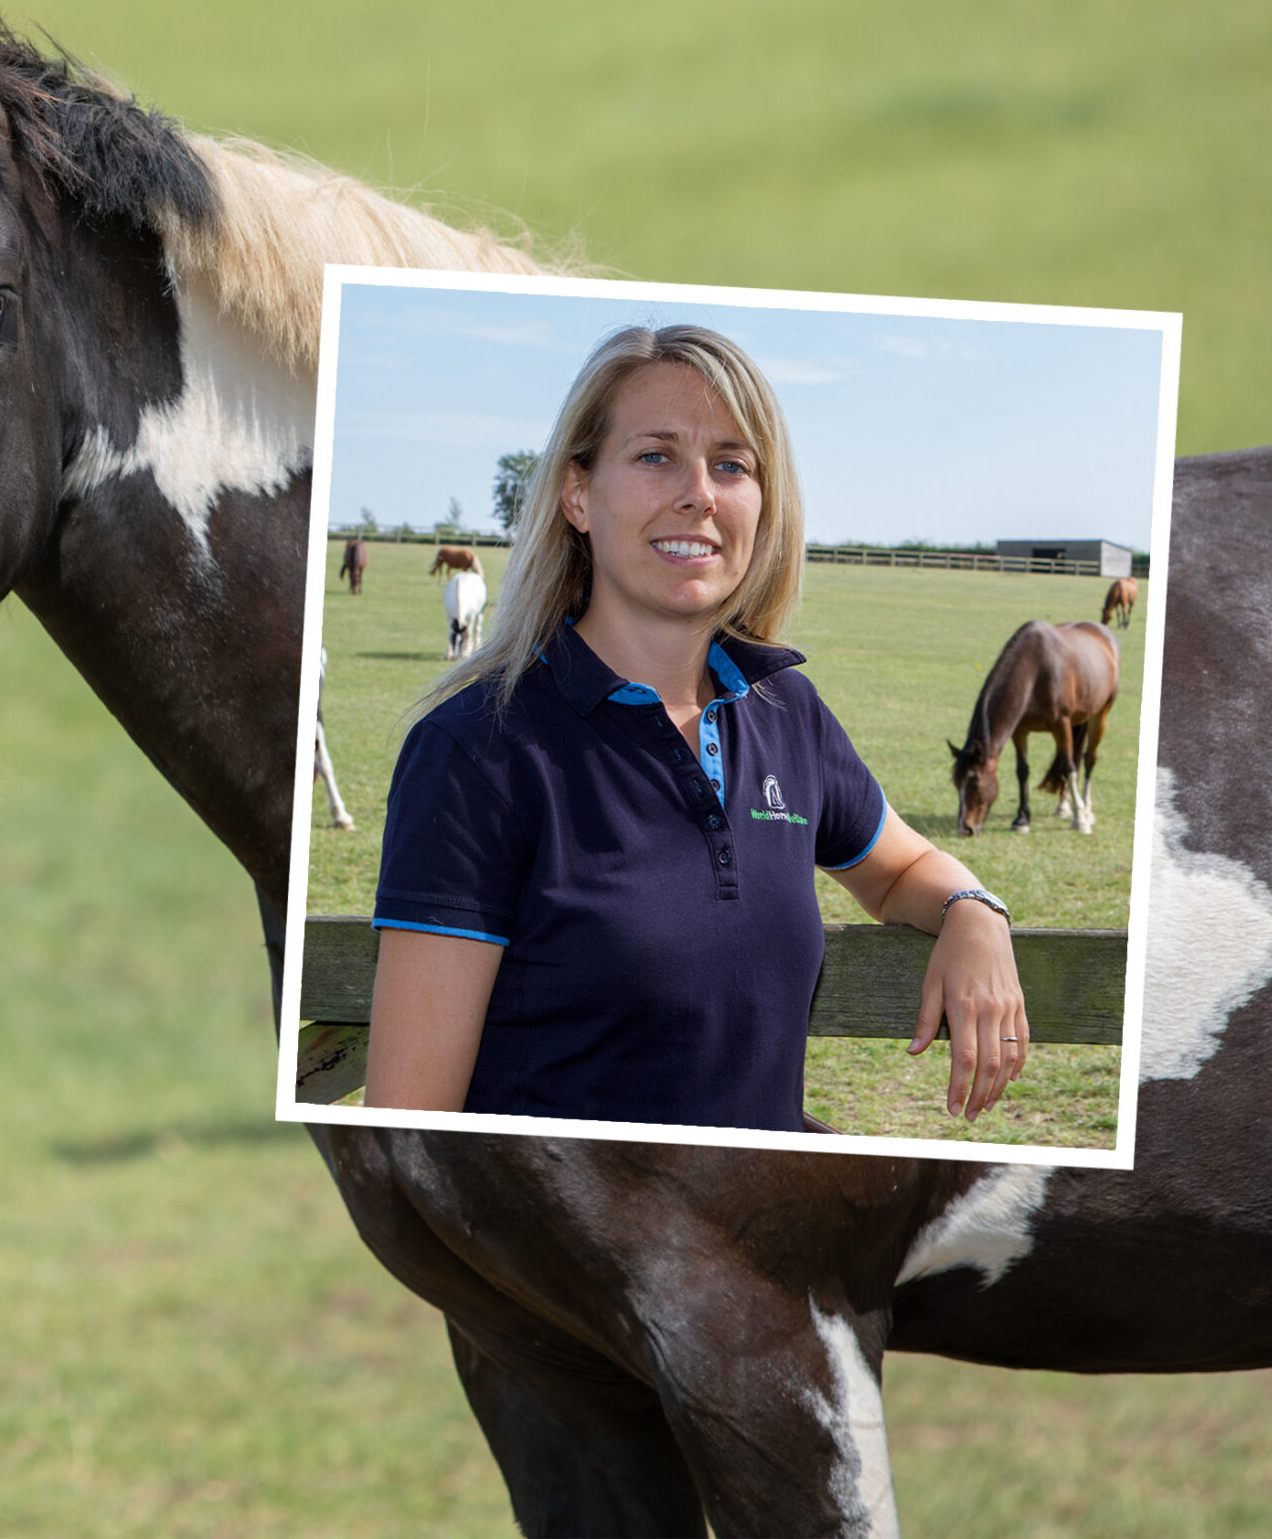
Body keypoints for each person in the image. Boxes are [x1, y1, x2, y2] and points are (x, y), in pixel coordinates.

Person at [362, 325, 1026, 1130]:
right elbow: (413, 1128)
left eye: (732, 464)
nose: (699, 494)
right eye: (656, 456)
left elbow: (897, 869)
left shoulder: (787, 713)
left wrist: (973, 910)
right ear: (578, 493)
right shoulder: (475, 750)